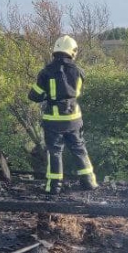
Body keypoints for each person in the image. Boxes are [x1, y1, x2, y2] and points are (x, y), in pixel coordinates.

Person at [28, 35, 99, 194]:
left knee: (55, 152)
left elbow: (34, 96)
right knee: (79, 149)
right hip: (74, 119)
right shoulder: (79, 72)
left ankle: (54, 186)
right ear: (72, 52)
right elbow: (77, 92)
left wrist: (47, 95)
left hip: (53, 121)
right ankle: (89, 182)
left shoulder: (46, 72)